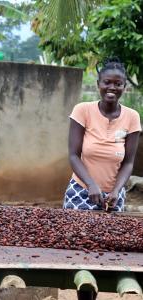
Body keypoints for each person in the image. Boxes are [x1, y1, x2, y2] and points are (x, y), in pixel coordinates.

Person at [63, 58, 141, 300]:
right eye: (107, 82)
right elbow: (74, 155)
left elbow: (129, 162)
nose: (112, 88)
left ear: (124, 87)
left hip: (113, 196)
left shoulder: (131, 117)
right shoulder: (82, 110)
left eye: (118, 84)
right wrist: (92, 186)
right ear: (98, 84)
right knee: (82, 253)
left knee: (107, 252)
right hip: (80, 193)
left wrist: (117, 190)